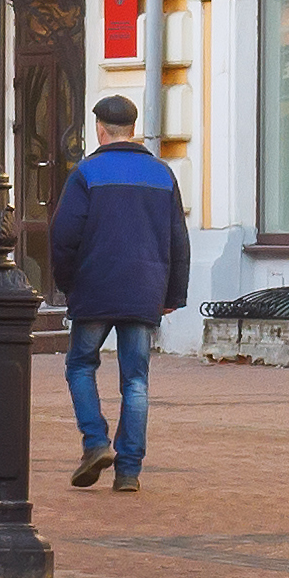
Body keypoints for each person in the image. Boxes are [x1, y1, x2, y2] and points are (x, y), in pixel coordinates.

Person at [45, 92, 187, 493]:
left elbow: (64, 235)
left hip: (95, 286)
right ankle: (129, 471)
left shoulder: (86, 173)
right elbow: (179, 238)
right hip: (145, 289)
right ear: (132, 128)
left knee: (80, 365)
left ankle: (95, 443)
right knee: (136, 381)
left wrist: (67, 283)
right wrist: (172, 292)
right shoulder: (162, 174)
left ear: (100, 129)